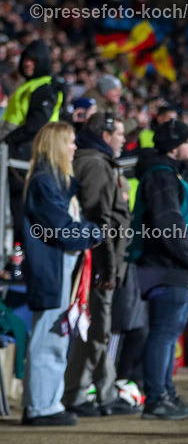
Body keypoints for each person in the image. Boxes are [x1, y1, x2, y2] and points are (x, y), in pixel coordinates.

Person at [20, 121, 101, 426]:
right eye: (69, 142)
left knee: (55, 338)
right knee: (48, 339)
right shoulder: (43, 181)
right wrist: (94, 231)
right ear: (56, 145)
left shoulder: (51, 181)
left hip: (57, 269)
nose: (74, 148)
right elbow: (62, 230)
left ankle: (45, 403)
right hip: (50, 269)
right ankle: (40, 407)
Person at [129, 119, 188, 420]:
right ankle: (156, 399)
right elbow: (169, 224)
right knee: (163, 334)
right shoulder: (161, 176)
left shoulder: (167, 174)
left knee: (167, 333)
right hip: (167, 268)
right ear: (175, 147)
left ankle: (165, 394)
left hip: (169, 267)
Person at [63, 113, 135, 416]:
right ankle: (76, 396)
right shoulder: (94, 163)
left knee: (99, 333)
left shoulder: (98, 161)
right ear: (105, 135)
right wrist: (107, 267)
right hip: (96, 266)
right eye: (119, 134)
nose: (123, 139)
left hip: (102, 264)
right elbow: (98, 222)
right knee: (93, 332)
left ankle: (104, 394)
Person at [3, 39, 66, 244]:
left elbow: (37, 123)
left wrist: (8, 141)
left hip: (27, 154)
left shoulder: (44, 87)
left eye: (33, 60)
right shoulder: (31, 85)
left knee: (22, 208)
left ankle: (23, 254)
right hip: (19, 152)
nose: (28, 64)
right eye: (26, 59)